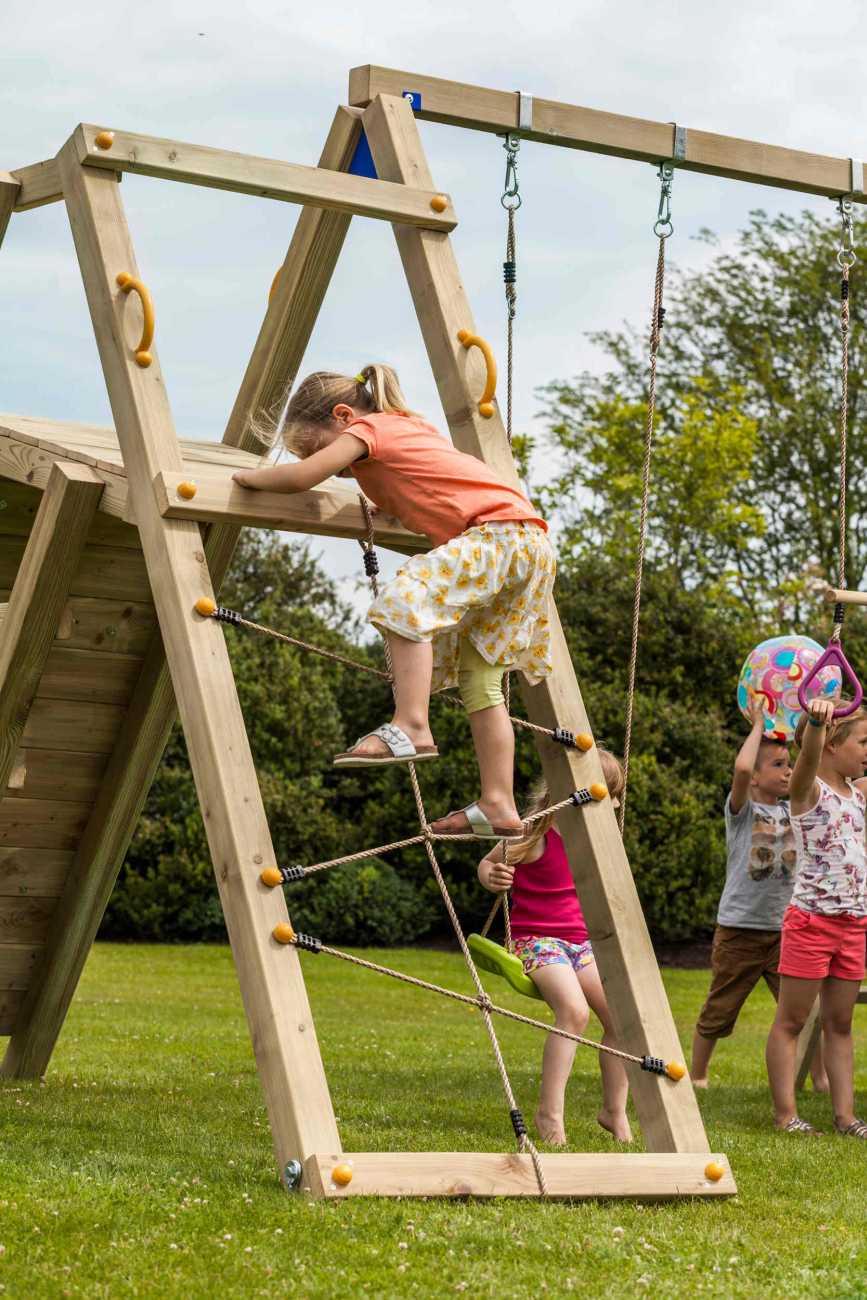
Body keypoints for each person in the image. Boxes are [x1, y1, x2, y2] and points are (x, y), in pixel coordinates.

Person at [233, 363, 555, 840]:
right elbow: (428, 481)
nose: (341, 469)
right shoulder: (407, 429)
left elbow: (303, 477)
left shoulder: (369, 428)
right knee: (481, 681)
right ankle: (498, 803)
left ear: (343, 417)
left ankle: (411, 725)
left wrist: (244, 479)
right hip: (529, 549)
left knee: (406, 599)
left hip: (499, 536)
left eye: (332, 455)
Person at [477, 753, 631, 1146]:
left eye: (614, 797)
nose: (613, 806)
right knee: (574, 1013)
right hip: (536, 941)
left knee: (622, 1019)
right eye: (607, 796)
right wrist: (492, 875)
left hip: (580, 944)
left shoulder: (597, 842)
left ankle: (613, 1111)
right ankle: (550, 1112)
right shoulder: (536, 833)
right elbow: (487, 863)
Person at [691, 694, 828, 1091]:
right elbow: (741, 767)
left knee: (805, 1011)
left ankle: (819, 1077)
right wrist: (756, 728)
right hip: (740, 930)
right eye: (778, 765)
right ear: (755, 776)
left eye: (789, 765)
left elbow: (813, 769)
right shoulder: (741, 812)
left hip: (787, 931)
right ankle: (698, 1074)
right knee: (721, 1006)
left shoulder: (796, 809)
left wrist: (815, 726)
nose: (788, 773)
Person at [764, 696, 867, 1137]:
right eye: (863, 742)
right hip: (811, 922)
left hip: (854, 922)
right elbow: (806, 758)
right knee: (791, 1020)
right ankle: (786, 1115)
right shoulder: (808, 790)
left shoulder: (858, 793)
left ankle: (846, 1118)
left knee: (840, 1023)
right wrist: (816, 721)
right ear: (831, 745)